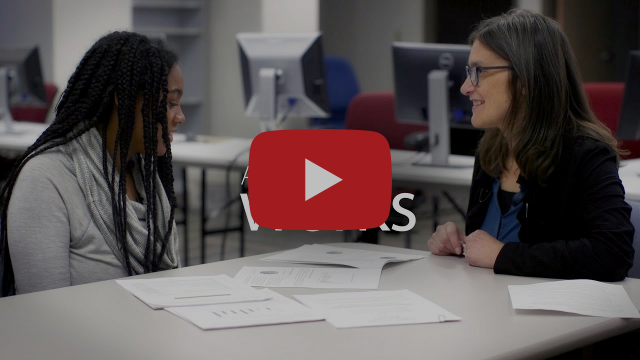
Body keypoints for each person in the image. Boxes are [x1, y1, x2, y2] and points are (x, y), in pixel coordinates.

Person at [427, 9, 635, 281]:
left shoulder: (584, 153)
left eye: (479, 72)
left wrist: (504, 256)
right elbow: (486, 253)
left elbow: (612, 254)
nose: (466, 87)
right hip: (489, 307)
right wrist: (457, 244)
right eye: (469, 72)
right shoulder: (492, 150)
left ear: (525, 80)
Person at [0, 31, 186, 296]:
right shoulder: (44, 180)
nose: (180, 117)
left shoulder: (145, 179)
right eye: (170, 104)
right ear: (124, 100)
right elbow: (44, 315)